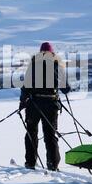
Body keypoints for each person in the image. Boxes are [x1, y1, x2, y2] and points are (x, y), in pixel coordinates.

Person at [19, 42, 70, 171]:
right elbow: (65, 88)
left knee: (31, 132)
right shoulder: (57, 65)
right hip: (51, 105)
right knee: (50, 135)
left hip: (34, 105)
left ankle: (30, 163)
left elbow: (26, 87)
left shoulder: (33, 65)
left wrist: (22, 102)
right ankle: (52, 164)